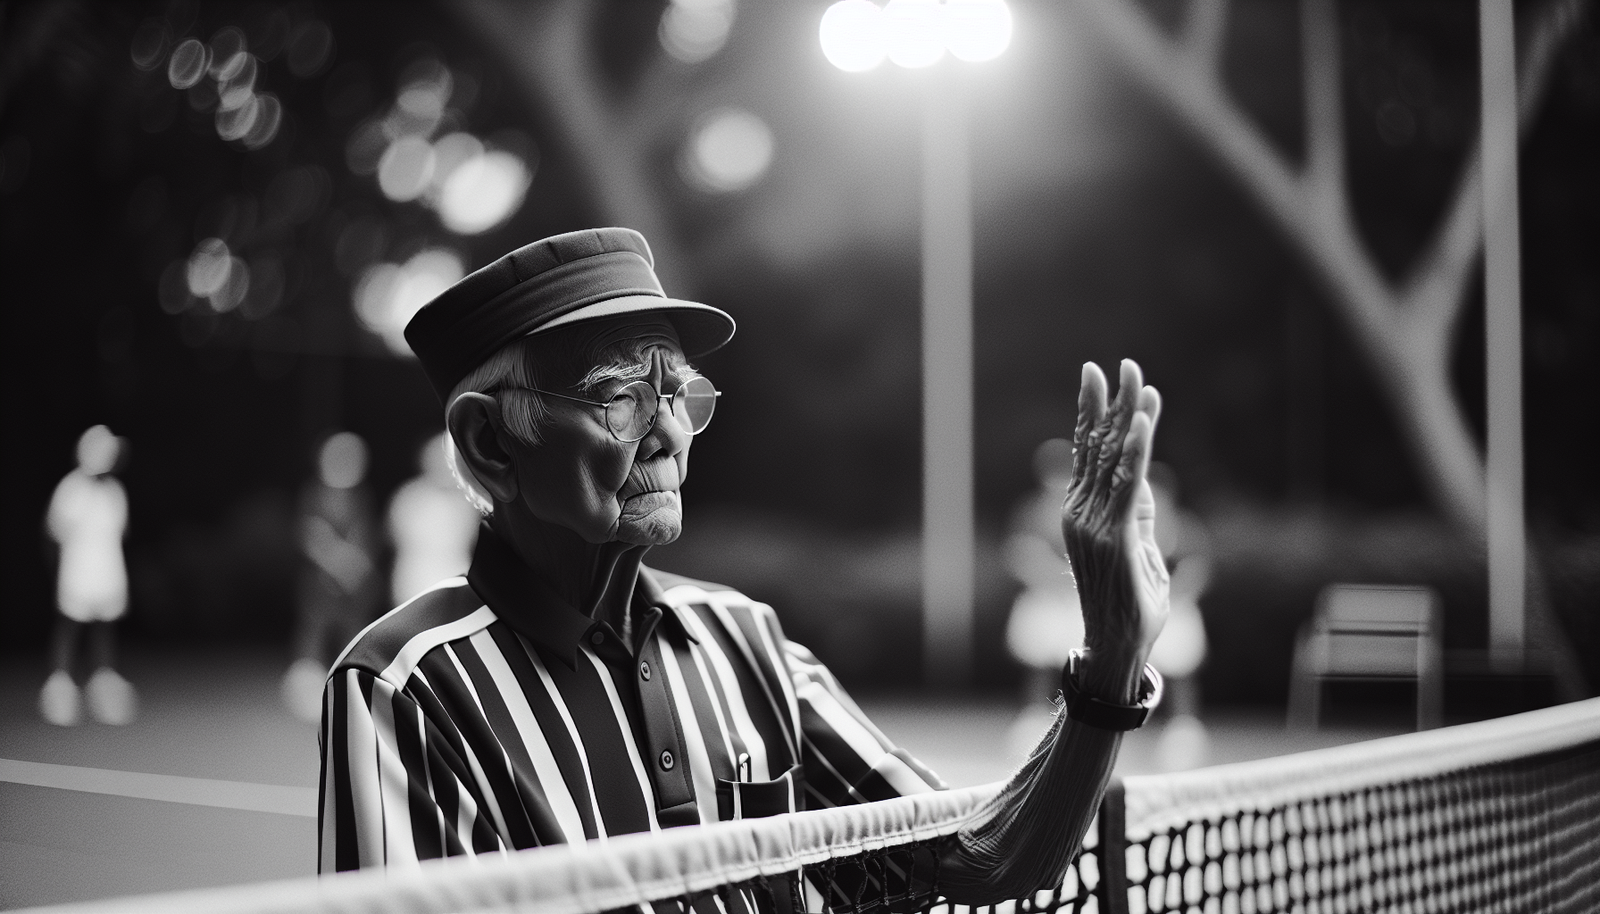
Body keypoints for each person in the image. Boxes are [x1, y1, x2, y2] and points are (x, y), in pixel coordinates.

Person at [318, 228, 1169, 904]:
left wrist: (1113, 660)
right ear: (490, 443)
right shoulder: (407, 688)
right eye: (620, 397)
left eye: (677, 393)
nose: (670, 432)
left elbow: (982, 859)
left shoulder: (747, 641)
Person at [282, 431, 385, 723]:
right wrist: (339, 563)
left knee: (355, 638)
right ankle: (305, 694)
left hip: (355, 587)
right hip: (320, 584)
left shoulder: (361, 496)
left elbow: (367, 536)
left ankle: (353, 694)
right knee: (313, 636)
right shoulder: (313, 493)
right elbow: (310, 535)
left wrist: (359, 568)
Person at [40, 424, 138, 726]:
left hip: (108, 577)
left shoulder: (115, 491)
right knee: (69, 629)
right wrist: (59, 575)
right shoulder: (71, 488)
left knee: (104, 631)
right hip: (77, 576)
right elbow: (52, 534)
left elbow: (121, 534)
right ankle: (60, 690)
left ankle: (103, 689)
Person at [386, 432, 480, 606]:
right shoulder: (409, 496)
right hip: (415, 583)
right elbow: (392, 536)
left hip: (456, 583)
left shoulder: (468, 500)